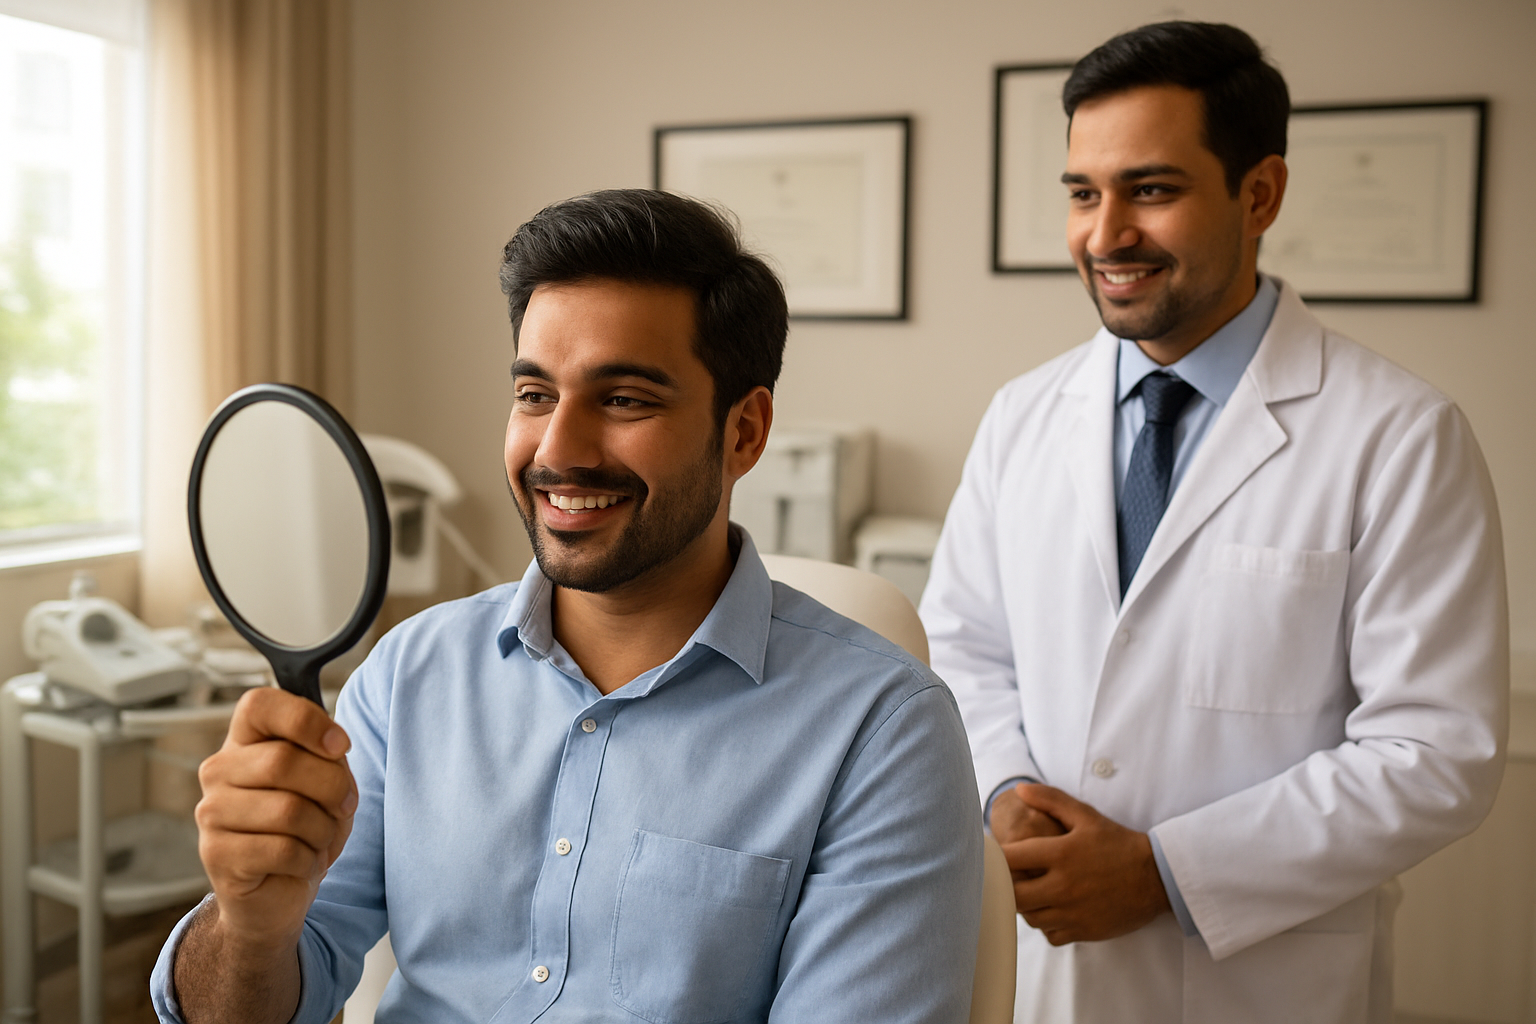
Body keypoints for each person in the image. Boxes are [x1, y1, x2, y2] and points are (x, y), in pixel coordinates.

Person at [151, 189, 984, 1024]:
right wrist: (250, 927)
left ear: (744, 432)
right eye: (535, 395)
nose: (558, 451)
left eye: (623, 399)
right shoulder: (407, 675)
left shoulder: (883, 728)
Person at [919, 21, 1507, 1024]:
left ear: (1260, 193)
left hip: (1264, 983)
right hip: (1040, 966)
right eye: (1082, 194)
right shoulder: (1023, 415)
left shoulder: (1400, 433)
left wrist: (1166, 872)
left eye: (1151, 190)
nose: (1105, 235)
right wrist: (1006, 793)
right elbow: (961, 648)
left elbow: (1436, 749)